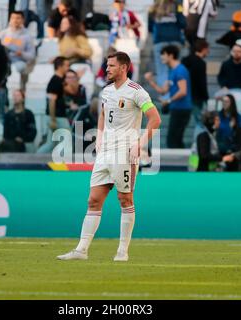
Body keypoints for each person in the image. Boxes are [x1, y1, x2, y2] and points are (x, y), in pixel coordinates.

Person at [57, 52, 161, 262]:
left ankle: (122, 251)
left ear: (124, 67)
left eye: (111, 66)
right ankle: (81, 250)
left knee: (125, 199)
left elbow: (155, 119)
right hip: (105, 153)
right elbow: (103, 114)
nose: (107, 69)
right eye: (107, 65)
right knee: (93, 200)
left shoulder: (136, 92)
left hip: (124, 152)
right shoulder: (105, 91)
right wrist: (100, 136)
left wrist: (139, 144)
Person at [145, 45, 192, 148]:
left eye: (164, 54)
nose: (162, 57)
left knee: (174, 139)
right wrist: (150, 81)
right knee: (174, 139)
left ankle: (178, 163)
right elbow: (163, 91)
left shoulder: (180, 70)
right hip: (176, 108)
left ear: (171, 55)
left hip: (182, 109)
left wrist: (169, 100)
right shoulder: (172, 71)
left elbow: (183, 91)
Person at [149, 0, 186, 95]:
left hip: (160, 41)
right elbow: (183, 23)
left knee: (161, 71)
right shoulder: (177, 6)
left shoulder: (152, 9)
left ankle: (165, 97)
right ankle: (175, 94)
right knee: (175, 68)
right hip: (175, 41)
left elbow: (150, 28)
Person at [36, 56, 71, 154]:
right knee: (66, 140)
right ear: (60, 66)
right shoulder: (55, 81)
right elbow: (52, 101)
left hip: (56, 116)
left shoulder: (59, 80)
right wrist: (53, 119)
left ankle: (37, 158)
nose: (68, 68)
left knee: (51, 143)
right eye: (66, 65)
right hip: (58, 116)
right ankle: (65, 163)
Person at [0, 10, 35, 88]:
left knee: (21, 67)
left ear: (23, 20)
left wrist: (22, 53)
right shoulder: (3, 34)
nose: (15, 20)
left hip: (19, 62)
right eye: (13, 18)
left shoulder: (27, 36)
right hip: (4, 63)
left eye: (18, 18)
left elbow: (32, 55)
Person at [182, 39, 210, 124]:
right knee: (200, 122)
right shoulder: (201, 63)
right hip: (196, 96)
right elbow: (202, 82)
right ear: (204, 49)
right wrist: (206, 97)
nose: (208, 51)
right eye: (207, 49)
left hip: (184, 94)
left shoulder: (185, 60)